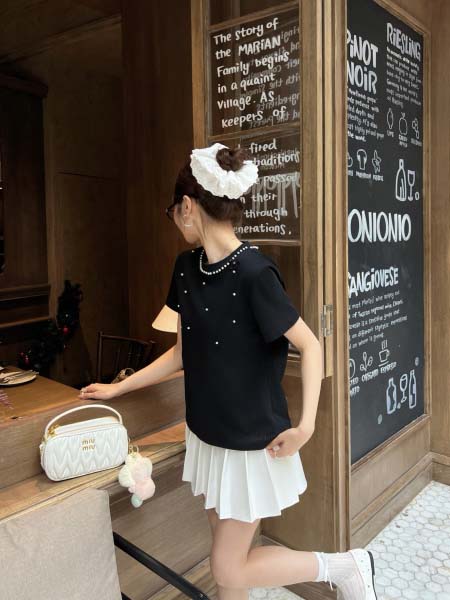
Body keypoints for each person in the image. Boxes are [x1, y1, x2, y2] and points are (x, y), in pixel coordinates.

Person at [79, 143, 377, 600]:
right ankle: (342, 566)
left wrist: (306, 427)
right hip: (207, 437)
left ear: (186, 207)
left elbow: (311, 345)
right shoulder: (185, 268)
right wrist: (120, 388)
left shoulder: (256, 273)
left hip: (250, 444)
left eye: (172, 211)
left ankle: (344, 566)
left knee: (227, 567)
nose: (174, 219)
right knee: (229, 562)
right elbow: (181, 355)